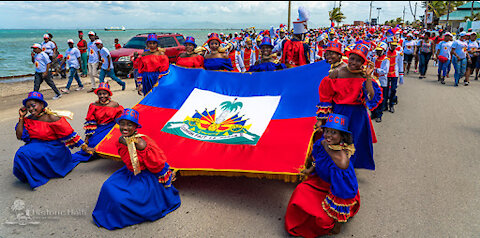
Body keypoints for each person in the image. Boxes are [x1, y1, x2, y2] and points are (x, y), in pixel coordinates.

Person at [92, 108, 181, 230]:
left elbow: (157, 164)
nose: (125, 127)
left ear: (135, 127)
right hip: (129, 173)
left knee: (121, 198)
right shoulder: (121, 139)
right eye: (122, 123)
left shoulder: (142, 143)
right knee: (107, 186)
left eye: (129, 124)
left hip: (145, 176)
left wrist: (164, 180)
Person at [285, 113, 360, 237]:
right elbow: (318, 159)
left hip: (336, 191)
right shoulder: (322, 143)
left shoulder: (342, 162)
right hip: (318, 182)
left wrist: (337, 225)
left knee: (322, 220)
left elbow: (343, 192)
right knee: (300, 191)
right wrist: (309, 170)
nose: (329, 135)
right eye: (327, 131)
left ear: (342, 136)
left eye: (334, 132)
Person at [315, 44, 382, 171]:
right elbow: (326, 96)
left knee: (354, 142)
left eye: (358, 60)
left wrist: (368, 77)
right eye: (352, 58)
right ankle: (336, 168)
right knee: (336, 141)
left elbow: (371, 96)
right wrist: (321, 119)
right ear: (347, 57)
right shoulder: (336, 74)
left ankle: (348, 170)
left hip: (358, 114)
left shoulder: (364, 76)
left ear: (363, 62)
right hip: (339, 113)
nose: (354, 62)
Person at [14, 92, 94, 189]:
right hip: (36, 145)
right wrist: (21, 117)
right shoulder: (29, 119)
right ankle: (32, 173)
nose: (31, 109)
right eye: (28, 107)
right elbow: (19, 136)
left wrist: (84, 147)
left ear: (42, 104)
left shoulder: (52, 117)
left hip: (53, 148)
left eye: (33, 105)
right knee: (22, 153)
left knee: (22, 153)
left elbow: (70, 134)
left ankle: (38, 174)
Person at [72, 83, 124, 162]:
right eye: (100, 94)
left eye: (104, 93)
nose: (102, 96)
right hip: (99, 128)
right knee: (93, 145)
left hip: (111, 127)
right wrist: (87, 138)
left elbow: (120, 119)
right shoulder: (93, 105)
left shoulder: (114, 104)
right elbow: (90, 123)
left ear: (109, 94)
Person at [371, 42, 390, 123]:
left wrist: (375, 70)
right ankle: (373, 113)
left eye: (380, 51)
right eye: (377, 50)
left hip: (382, 82)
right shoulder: (374, 58)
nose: (378, 52)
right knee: (373, 97)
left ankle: (379, 115)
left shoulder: (386, 60)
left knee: (380, 99)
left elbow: (385, 71)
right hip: (374, 80)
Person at [385, 39, 404, 113]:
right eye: (392, 45)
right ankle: (385, 104)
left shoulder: (399, 54)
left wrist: (401, 75)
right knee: (385, 89)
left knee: (393, 89)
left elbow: (400, 64)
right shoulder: (385, 53)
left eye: (395, 45)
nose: (393, 46)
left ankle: (391, 104)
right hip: (386, 73)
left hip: (394, 73)